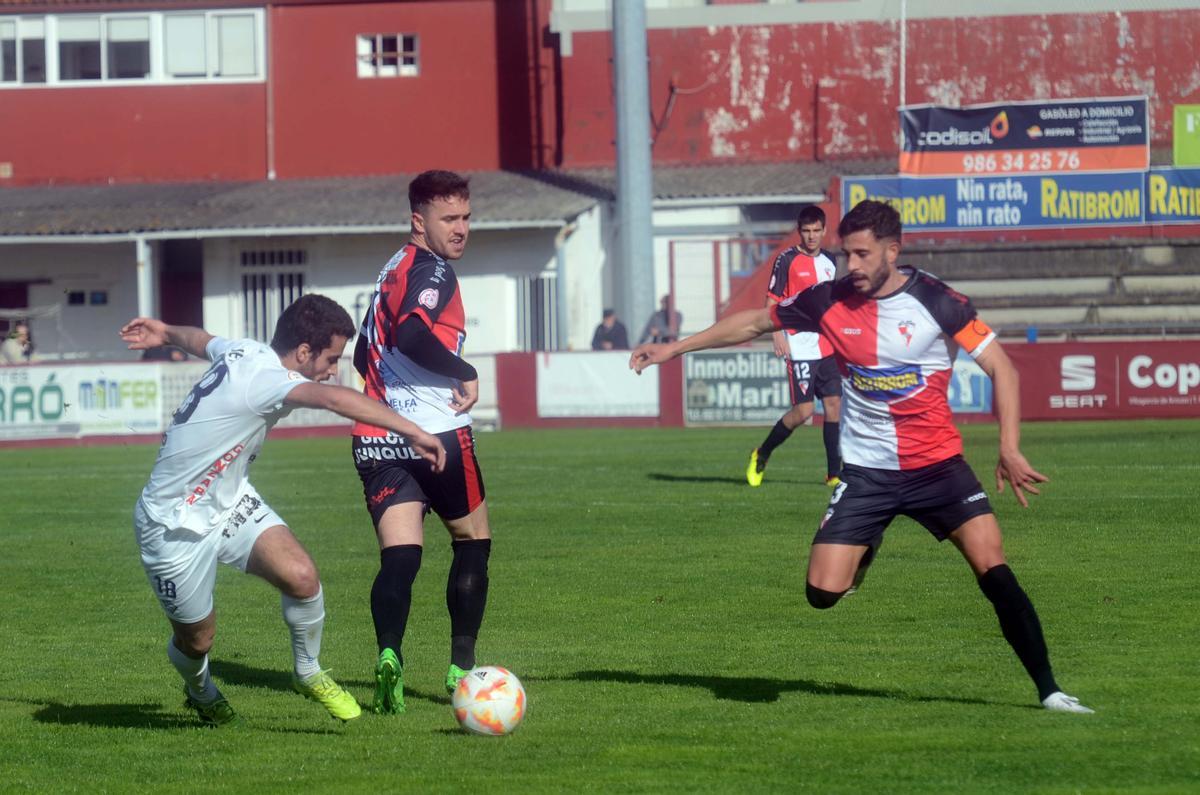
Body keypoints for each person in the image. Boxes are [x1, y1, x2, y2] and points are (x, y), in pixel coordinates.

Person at [630, 200, 1093, 714]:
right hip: (869, 473)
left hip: (940, 468)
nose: (850, 265)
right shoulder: (828, 299)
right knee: (821, 594)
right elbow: (756, 323)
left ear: (892, 252)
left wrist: (1008, 447)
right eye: (845, 253)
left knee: (994, 570)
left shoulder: (940, 302)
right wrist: (674, 348)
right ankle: (868, 542)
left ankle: (1050, 690)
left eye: (861, 254)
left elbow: (1003, 370)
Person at [121, 294, 447, 728]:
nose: (334, 369)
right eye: (331, 358)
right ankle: (200, 690)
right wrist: (413, 431)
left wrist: (165, 333)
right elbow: (333, 400)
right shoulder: (268, 380)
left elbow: (202, 340)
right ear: (304, 352)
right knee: (198, 641)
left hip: (230, 498)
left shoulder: (247, 350)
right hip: (172, 525)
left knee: (302, 577)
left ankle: (308, 672)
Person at [351, 169, 493, 715]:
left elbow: (367, 354)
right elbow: (411, 333)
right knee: (472, 541)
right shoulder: (433, 270)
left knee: (401, 557)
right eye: (448, 219)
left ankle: (389, 656)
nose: (460, 229)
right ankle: (461, 668)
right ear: (419, 221)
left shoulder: (392, 267)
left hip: (377, 437)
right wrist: (464, 368)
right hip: (438, 436)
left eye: (466, 217)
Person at [748, 205, 843, 488]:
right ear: (799, 232)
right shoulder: (786, 260)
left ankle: (833, 474)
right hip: (800, 345)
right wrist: (777, 333)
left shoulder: (830, 260)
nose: (812, 236)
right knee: (803, 413)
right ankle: (762, 452)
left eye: (817, 231)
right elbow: (772, 299)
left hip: (827, 343)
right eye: (806, 231)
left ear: (824, 231)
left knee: (834, 405)